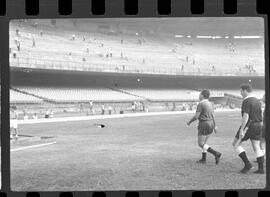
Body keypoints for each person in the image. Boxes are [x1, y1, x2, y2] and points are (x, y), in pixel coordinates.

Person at [232, 84, 264, 174]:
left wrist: (242, 129)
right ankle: (261, 169)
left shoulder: (246, 101)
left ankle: (247, 164)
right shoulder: (257, 100)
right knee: (256, 147)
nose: (240, 93)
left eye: (241, 91)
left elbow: (246, 115)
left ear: (245, 90)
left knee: (235, 144)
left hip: (249, 125)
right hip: (258, 124)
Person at [187, 90, 221, 164]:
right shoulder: (210, 103)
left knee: (201, 143)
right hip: (211, 123)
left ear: (202, 95)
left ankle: (216, 153)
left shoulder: (201, 104)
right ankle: (203, 159)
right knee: (205, 143)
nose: (199, 96)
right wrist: (215, 125)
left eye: (200, 94)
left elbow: (196, 116)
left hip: (204, 124)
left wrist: (189, 121)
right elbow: (213, 115)